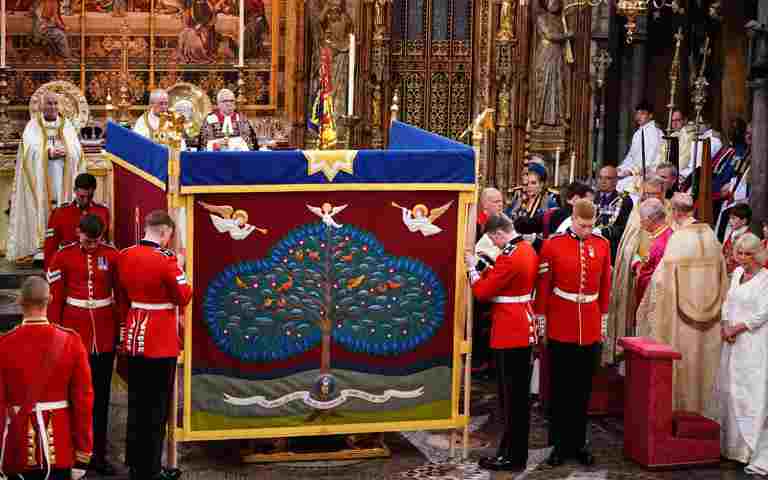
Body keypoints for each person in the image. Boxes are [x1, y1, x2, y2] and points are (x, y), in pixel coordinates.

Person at [116, 210, 192, 480]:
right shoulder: (167, 260)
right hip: (159, 339)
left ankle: (135, 462)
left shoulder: (125, 255)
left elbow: (121, 295)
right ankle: (150, 470)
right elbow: (184, 296)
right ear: (165, 233)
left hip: (135, 333)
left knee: (136, 403)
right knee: (156, 409)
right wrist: (180, 266)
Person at [535, 199, 611, 467]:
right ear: (573, 219)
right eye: (582, 225)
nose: (586, 231)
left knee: (582, 389)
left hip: (589, 324)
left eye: (591, 226)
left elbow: (605, 286)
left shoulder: (602, 245)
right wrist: (541, 324)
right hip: (561, 322)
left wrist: (603, 322)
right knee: (560, 389)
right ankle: (558, 444)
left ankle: (579, 443)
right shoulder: (553, 244)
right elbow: (544, 287)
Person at [636, 204, 728, 418]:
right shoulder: (712, 238)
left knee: (682, 365)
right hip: (709, 320)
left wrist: (648, 308)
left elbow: (660, 282)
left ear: (676, 214)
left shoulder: (678, 240)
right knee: (704, 365)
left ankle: (677, 412)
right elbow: (723, 279)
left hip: (679, 319)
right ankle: (703, 414)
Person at [465, 213, 539, 472]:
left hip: (510, 330)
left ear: (498, 233)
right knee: (516, 399)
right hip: (521, 326)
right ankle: (511, 452)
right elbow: (502, 277)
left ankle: (513, 456)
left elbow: (483, 292)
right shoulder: (525, 249)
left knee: (512, 400)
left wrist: (472, 269)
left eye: (493, 240)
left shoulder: (511, 255)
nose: (494, 245)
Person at [46, 215, 119, 476]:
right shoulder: (62, 256)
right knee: (70, 397)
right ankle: (69, 453)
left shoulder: (112, 255)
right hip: (72, 333)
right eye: (88, 241)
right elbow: (54, 300)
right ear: (78, 233)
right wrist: (54, 334)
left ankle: (98, 454)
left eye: (96, 241)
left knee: (100, 398)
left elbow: (119, 295)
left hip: (104, 334)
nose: (91, 246)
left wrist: (119, 330)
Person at [0, 276, 93, 480]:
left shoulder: (4, 345)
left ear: (19, 301)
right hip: (59, 447)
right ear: (50, 299)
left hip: (17, 448)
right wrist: (83, 453)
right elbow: (83, 402)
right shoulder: (71, 341)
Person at [8, 91, 85, 264]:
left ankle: (63, 242)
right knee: (43, 207)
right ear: (41, 106)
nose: (52, 107)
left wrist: (68, 152)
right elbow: (28, 151)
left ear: (60, 106)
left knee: (62, 207)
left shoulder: (67, 126)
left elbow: (77, 151)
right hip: (40, 179)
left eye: (55, 103)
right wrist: (48, 152)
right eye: (49, 103)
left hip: (62, 177)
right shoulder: (33, 126)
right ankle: (39, 247)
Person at [717, 233, 768, 475]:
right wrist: (725, 324)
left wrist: (737, 327)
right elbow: (728, 301)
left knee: (749, 394)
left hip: (752, 343)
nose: (744, 258)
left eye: (749, 254)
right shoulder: (736, 274)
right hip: (731, 342)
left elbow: (762, 313)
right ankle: (730, 449)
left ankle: (748, 451)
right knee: (729, 392)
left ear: (758, 254)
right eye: (740, 253)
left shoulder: (766, 279)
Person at [604, 175, 667, 362]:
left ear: (663, 193)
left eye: (654, 194)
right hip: (635, 275)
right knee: (633, 316)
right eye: (646, 193)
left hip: (659, 275)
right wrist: (636, 262)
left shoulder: (668, 213)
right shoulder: (636, 213)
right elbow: (628, 247)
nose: (650, 197)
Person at [43, 173, 110, 270]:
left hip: (95, 267)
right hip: (69, 267)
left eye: (89, 197)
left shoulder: (102, 211)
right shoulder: (60, 213)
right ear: (75, 190)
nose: (86, 200)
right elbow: (50, 246)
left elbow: (105, 245)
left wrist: (103, 269)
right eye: (82, 197)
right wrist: (49, 271)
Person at [617, 101, 664, 200]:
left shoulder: (654, 132)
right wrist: (621, 168)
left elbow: (650, 159)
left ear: (650, 115)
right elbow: (631, 156)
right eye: (637, 113)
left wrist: (631, 171)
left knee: (623, 187)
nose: (638, 117)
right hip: (635, 173)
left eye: (642, 113)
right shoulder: (638, 132)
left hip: (648, 174)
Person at [632, 198, 673, 311]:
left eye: (642, 219)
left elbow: (648, 277)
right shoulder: (667, 233)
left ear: (650, 219)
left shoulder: (659, 245)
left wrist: (636, 264)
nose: (640, 222)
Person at [716, 122, 752, 241]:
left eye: (752, 134)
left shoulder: (758, 154)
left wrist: (733, 192)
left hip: (747, 201)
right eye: (747, 133)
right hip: (735, 196)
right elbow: (738, 175)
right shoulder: (747, 152)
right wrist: (731, 186)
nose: (749, 136)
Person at [595, 165, 633, 262]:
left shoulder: (624, 200)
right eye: (600, 177)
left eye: (608, 178)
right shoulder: (591, 197)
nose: (603, 181)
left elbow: (624, 228)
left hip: (611, 248)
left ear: (616, 181)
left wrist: (602, 232)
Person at [722, 203, 751, 275]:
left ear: (744, 221)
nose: (730, 221)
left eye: (733, 218)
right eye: (730, 218)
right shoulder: (733, 233)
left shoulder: (748, 238)